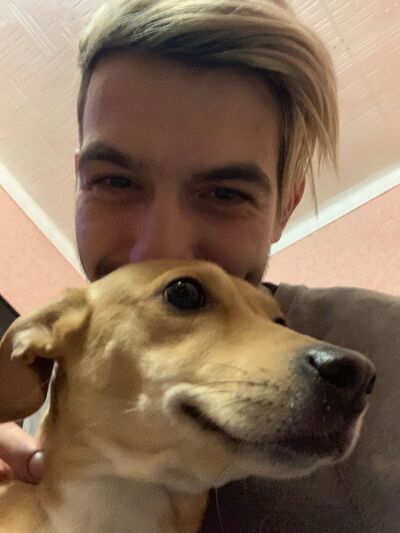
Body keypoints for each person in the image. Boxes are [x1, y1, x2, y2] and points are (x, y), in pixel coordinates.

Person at [1, 1, 399, 531]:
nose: (160, 246)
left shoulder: (383, 338)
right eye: (115, 181)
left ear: (286, 206)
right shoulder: (31, 414)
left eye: (226, 193)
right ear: (80, 182)